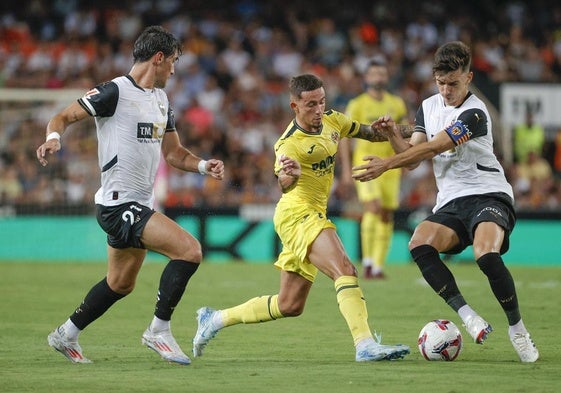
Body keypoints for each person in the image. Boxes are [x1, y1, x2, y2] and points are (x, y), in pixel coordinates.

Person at [36, 26, 225, 365]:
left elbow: (174, 153)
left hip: (138, 205)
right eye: (173, 62)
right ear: (158, 57)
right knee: (189, 250)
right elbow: (63, 116)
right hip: (119, 204)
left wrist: (202, 166)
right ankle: (158, 330)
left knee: (120, 284)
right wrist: (54, 137)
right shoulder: (115, 92)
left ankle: (66, 334)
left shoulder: (161, 100)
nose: (173, 69)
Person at [191, 74, 411, 362]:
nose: (318, 109)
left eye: (321, 102)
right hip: (297, 213)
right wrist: (289, 176)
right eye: (310, 105)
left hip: (311, 214)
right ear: (294, 106)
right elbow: (282, 181)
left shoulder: (334, 120)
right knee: (344, 268)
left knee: (290, 304)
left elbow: (371, 133)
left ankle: (215, 318)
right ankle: (365, 344)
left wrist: (407, 129)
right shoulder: (288, 144)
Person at [352, 41, 539, 363]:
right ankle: (469, 316)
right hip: (451, 201)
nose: (446, 90)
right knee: (419, 244)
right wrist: (394, 137)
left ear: (467, 77)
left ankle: (518, 330)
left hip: (488, 193)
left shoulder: (475, 113)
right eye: (441, 83)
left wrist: (384, 165)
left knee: (486, 254)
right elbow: (412, 157)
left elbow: (432, 149)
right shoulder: (428, 106)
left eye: (453, 83)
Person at [339, 57, 409, 279]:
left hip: (391, 166)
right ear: (366, 78)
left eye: (382, 73)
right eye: (374, 73)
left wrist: (406, 157)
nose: (378, 77)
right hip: (366, 162)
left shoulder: (397, 103)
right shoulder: (357, 104)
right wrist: (346, 169)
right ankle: (368, 262)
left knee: (387, 215)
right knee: (373, 208)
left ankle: (378, 266)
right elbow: (344, 137)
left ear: (386, 77)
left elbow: (406, 131)